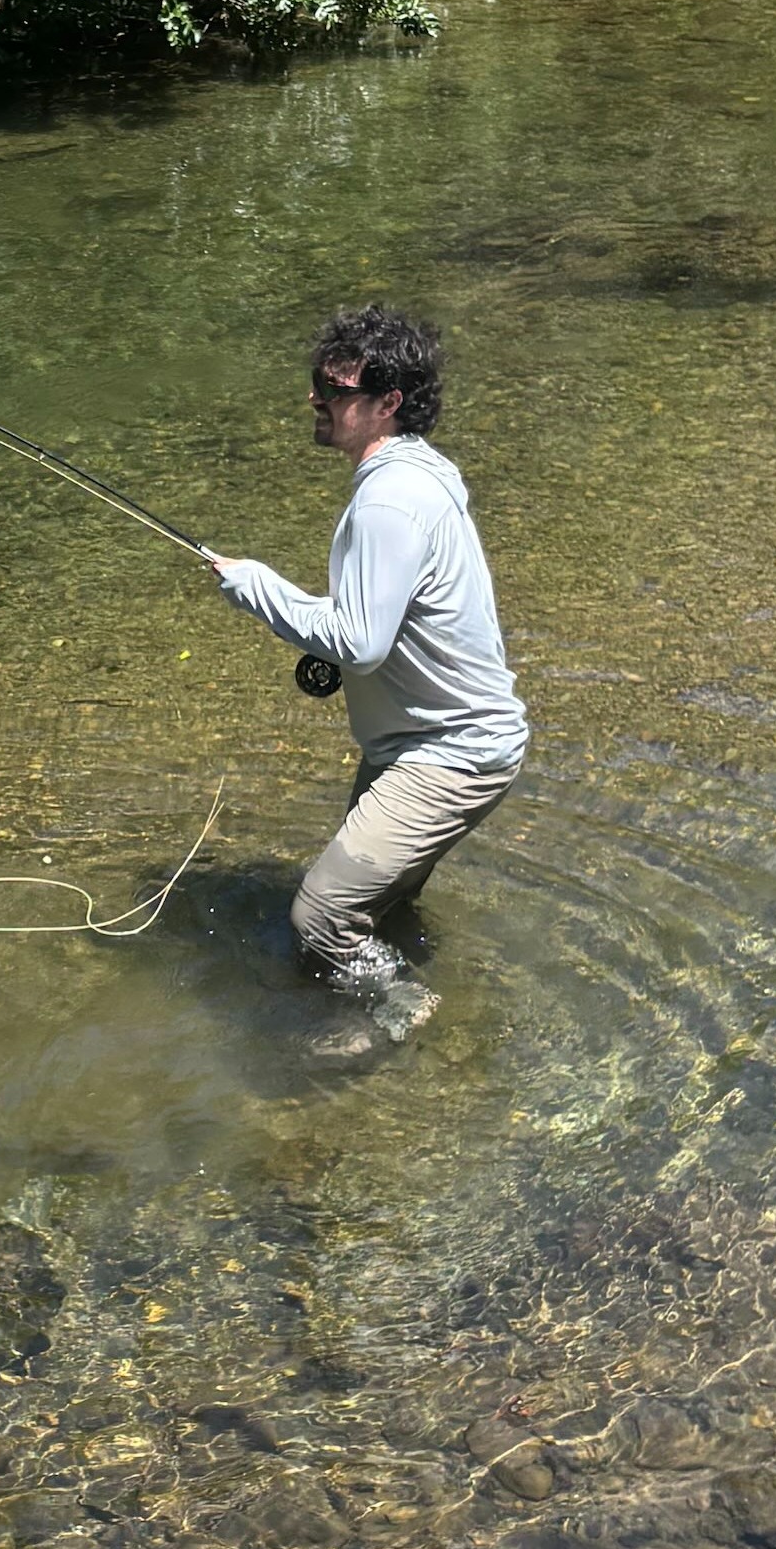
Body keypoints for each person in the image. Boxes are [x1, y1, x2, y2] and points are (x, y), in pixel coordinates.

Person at [202, 305, 527, 1032]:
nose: (315, 398)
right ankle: (396, 991)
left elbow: (360, 640)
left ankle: (406, 1012)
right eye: (317, 382)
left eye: (334, 389)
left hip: (451, 755)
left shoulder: (391, 498)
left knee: (321, 916)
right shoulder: (419, 474)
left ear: (389, 403)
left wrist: (257, 585)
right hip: (427, 744)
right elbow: (380, 622)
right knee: (381, 904)